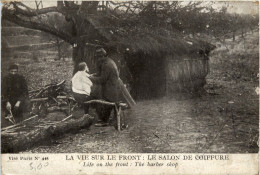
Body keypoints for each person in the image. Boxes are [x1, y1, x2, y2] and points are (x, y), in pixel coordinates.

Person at [89, 48, 120, 127]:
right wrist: (94, 75)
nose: (98, 59)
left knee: (107, 104)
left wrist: (91, 78)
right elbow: (102, 74)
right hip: (112, 86)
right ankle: (110, 120)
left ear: (102, 56)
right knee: (110, 104)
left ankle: (105, 121)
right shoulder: (109, 61)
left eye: (99, 57)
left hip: (110, 88)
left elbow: (102, 79)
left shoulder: (106, 65)